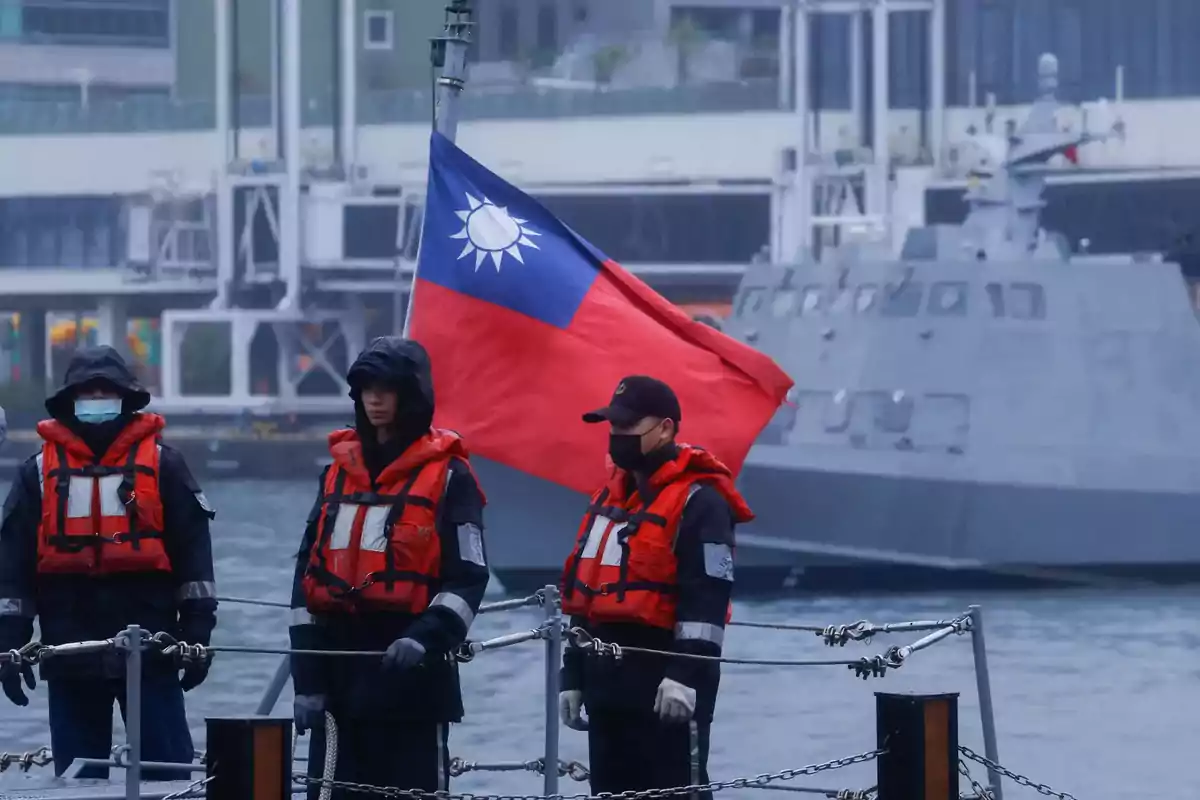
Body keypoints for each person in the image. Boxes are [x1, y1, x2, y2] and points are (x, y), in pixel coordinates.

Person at [0, 345, 217, 779]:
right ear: (70, 399)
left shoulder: (164, 465)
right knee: (78, 777)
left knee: (168, 774)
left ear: (125, 397)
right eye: (87, 391)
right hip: (68, 650)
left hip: (151, 649)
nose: (97, 399)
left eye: (106, 390)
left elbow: (194, 557)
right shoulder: (37, 473)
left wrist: (197, 637)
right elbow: (12, 569)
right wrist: (9, 647)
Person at [290, 337, 489, 799]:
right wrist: (307, 681)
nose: (374, 399)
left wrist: (423, 637)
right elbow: (304, 586)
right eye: (365, 388)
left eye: (386, 388)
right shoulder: (335, 474)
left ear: (411, 395)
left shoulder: (451, 479)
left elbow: (468, 578)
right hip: (338, 682)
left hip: (413, 684)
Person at [558, 375, 754, 799]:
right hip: (607, 691)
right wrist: (571, 674)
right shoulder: (606, 501)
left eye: (628, 426)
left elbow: (707, 599)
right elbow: (584, 602)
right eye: (613, 427)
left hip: (667, 692)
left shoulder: (701, 503)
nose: (617, 436)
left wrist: (683, 675)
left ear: (665, 428)